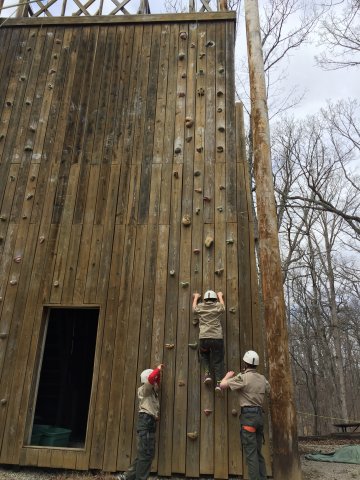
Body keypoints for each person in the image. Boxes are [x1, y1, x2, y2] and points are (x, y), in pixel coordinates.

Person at [220, 350, 270, 480]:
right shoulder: (263, 379)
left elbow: (222, 385)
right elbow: (268, 389)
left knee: (251, 454)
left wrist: (228, 375)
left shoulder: (243, 377)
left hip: (248, 418)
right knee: (258, 453)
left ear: (245, 363)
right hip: (259, 417)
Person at [117, 364, 164, 480]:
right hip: (146, 422)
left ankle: (127, 477)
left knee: (144, 453)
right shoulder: (145, 389)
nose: (156, 383)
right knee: (146, 455)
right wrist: (157, 369)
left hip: (149, 422)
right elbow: (152, 378)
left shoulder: (152, 391)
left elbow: (156, 381)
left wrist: (159, 374)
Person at [192, 290, 225, 394]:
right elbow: (223, 308)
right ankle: (219, 383)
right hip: (217, 339)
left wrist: (196, 297)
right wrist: (220, 296)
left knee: (204, 354)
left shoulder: (201, 306)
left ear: (205, 299)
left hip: (204, 338)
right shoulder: (218, 306)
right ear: (215, 299)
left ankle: (207, 374)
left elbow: (194, 309)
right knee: (218, 360)